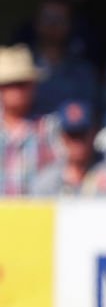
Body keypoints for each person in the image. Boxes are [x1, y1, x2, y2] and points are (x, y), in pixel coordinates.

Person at [0, 44, 63, 196]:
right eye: (9, 84)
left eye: (22, 84)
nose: (16, 90)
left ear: (33, 86)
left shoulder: (50, 127)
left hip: (40, 215)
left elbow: (65, 171)